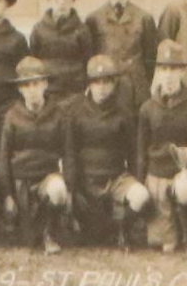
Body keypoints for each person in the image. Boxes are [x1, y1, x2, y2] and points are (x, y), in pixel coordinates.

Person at [63, 55, 148, 247]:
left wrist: (137, 179)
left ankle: (122, 228)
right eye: (96, 82)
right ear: (89, 84)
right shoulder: (75, 112)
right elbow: (70, 154)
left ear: (114, 84)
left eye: (106, 82)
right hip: (87, 182)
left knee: (140, 196)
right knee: (91, 235)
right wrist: (72, 188)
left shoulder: (123, 113)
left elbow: (134, 153)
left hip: (115, 179)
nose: (101, 87)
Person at [139, 41, 187, 255]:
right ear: (157, 73)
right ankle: (170, 226)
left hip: (184, 171)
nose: (168, 75)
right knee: (165, 245)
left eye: (174, 69)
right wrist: (141, 178)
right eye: (163, 69)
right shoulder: (147, 108)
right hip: (157, 175)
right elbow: (141, 149)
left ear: (182, 72)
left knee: (184, 188)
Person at [0, 57, 74, 253]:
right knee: (28, 240)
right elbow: (4, 158)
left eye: (36, 84)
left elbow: (68, 153)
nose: (32, 90)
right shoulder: (12, 116)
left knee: (57, 190)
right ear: (20, 89)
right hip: (21, 183)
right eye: (26, 85)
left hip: (46, 179)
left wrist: (70, 188)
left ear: (45, 85)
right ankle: (26, 227)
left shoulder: (59, 114)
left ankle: (50, 233)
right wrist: (7, 194)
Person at [88, 0, 160, 112]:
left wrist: (139, 81)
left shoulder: (144, 18)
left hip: (136, 91)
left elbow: (150, 60)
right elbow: (91, 57)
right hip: (107, 88)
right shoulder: (94, 19)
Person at [32, 0, 96, 101]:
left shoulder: (82, 29)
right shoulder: (39, 29)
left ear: (73, 0)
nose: (62, 2)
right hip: (47, 92)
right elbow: (34, 61)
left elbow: (87, 61)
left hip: (74, 92)